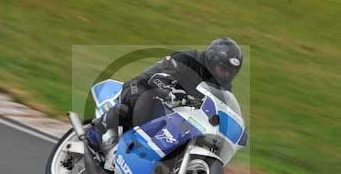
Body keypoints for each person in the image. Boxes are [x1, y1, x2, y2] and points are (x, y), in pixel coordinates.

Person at [87, 37, 243, 154]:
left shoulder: (223, 87)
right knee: (137, 102)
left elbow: (220, 108)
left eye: (231, 72)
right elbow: (159, 76)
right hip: (145, 85)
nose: (226, 74)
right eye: (223, 68)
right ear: (211, 59)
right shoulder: (187, 59)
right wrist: (172, 90)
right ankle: (96, 130)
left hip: (176, 110)